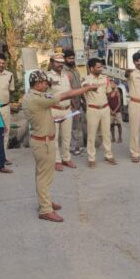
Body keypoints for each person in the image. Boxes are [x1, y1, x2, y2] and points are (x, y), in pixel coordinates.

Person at [22, 71, 98, 222]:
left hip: (41, 140)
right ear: (38, 84)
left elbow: (41, 115)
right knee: (44, 177)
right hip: (43, 142)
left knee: (43, 175)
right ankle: (45, 209)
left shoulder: (31, 96)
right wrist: (87, 88)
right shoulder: (37, 98)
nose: (47, 85)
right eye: (45, 83)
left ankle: (45, 202)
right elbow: (65, 95)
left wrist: (54, 120)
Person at [82, 58, 118, 167]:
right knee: (92, 135)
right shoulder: (86, 79)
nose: (101, 69)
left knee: (106, 134)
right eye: (98, 67)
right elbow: (84, 88)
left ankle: (108, 155)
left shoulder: (105, 78)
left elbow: (109, 93)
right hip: (92, 110)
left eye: (101, 67)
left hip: (105, 109)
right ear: (91, 68)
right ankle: (91, 158)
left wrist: (111, 94)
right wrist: (90, 87)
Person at [47, 53, 76, 170]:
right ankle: (56, 160)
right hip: (54, 110)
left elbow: (70, 92)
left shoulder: (66, 76)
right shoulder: (47, 76)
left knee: (67, 136)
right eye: (57, 62)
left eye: (61, 62)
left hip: (67, 110)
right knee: (54, 137)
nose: (60, 64)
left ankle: (66, 158)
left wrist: (73, 106)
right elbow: (45, 95)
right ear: (52, 62)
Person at [63, 49, 86, 156]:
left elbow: (79, 87)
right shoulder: (64, 72)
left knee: (77, 126)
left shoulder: (75, 70)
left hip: (78, 102)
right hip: (71, 104)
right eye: (69, 58)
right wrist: (74, 106)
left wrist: (83, 101)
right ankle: (72, 148)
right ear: (65, 59)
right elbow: (68, 90)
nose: (72, 60)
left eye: (73, 58)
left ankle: (77, 146)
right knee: (71, 127)